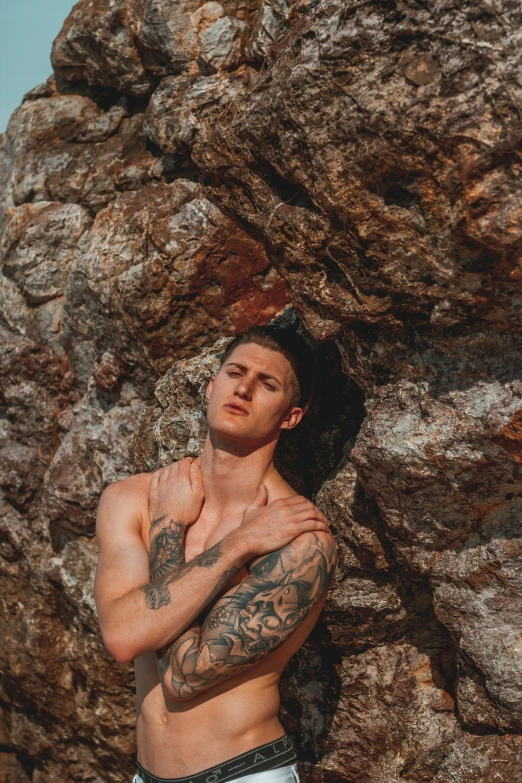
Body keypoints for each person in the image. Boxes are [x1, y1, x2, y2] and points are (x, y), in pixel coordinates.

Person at [94, 325, 338, 783]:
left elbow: (185, 677)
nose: (243, 389)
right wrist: (230, 544)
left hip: (243, 774)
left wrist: (190, 537)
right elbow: (123, 636)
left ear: (290, 417)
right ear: (211, 386)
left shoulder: (301, 542)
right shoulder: (133, 500)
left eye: (268, 385)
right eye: (235, 372)